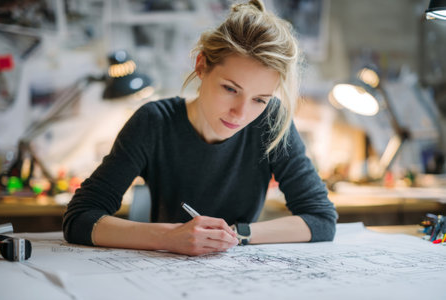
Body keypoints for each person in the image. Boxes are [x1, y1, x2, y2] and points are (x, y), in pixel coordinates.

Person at [63, 0, 337, 256]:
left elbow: (321, 219)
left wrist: (237, 234)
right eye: (230, 89)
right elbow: (80, 218)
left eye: (259, 99)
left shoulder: (271, 121)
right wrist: (169, 237)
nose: (240, 114)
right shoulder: (153, 122)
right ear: (202, 65)